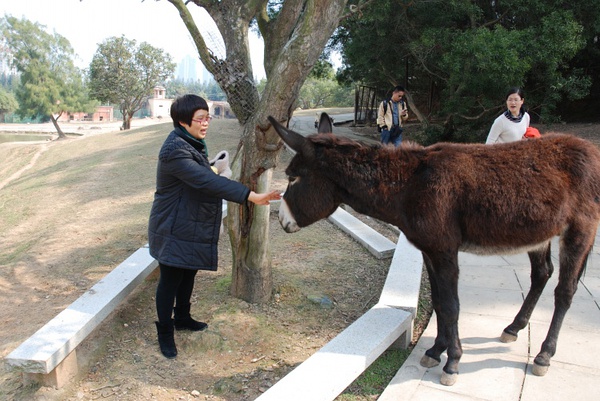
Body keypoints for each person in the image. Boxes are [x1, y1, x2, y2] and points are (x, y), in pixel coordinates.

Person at [148, 94, 281, 359]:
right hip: (172, 227)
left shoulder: (190, 142)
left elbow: (200, 175)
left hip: (186, 224)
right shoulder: (175, 150)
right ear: (183, 121)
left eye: (207, 117)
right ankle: (165, 332)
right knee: (171, 279)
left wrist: (213, 166)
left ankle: (183, 317)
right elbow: (204, 181)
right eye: (200, 119)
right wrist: (250, 196)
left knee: (188, 272)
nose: (206, 123)